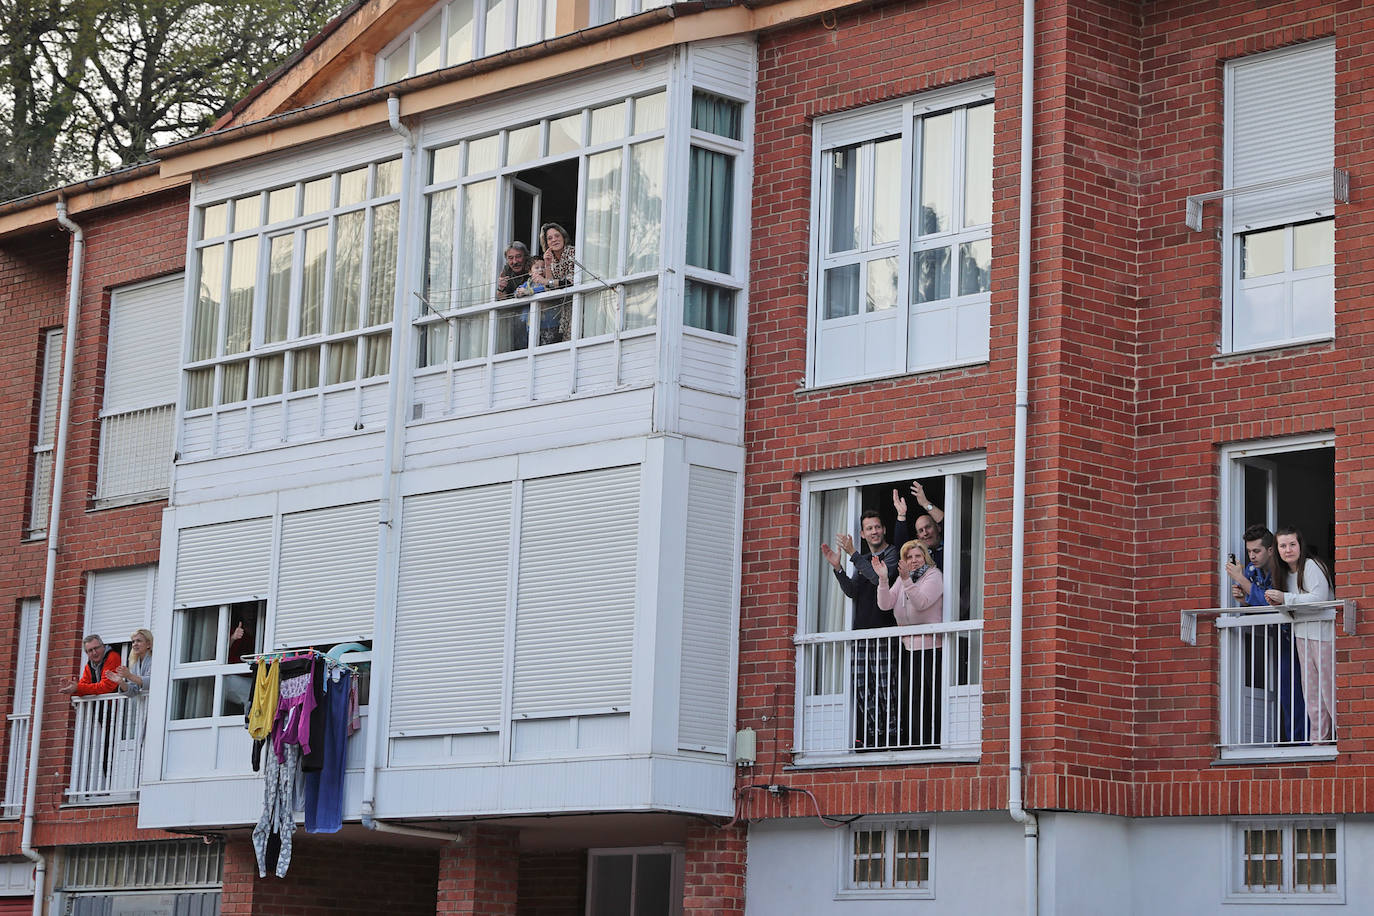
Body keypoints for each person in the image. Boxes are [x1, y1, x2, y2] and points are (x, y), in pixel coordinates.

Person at [821, 511, 899, 750]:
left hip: (884, 632)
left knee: (886, 687)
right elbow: (853, 591)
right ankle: (875, 731)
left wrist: (853, 555)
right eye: (869, 528)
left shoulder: (892, 554)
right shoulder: (862, 558)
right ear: (863, 534)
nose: (874, 531)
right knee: (864, 687)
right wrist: (838, 568)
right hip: (861, 633)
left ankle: (892, 733)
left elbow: (879, 580)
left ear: (884, 529)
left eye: (877, 527)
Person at [1225, 524, 1305, 742]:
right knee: (1285, 693)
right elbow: (1259, 602)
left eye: (1257, 551)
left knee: (1297, 692)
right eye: (1249, 551)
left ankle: (1302, 742)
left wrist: (1241, 580)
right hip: (1276, 638)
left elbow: (1270, 601)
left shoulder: (1282, 570)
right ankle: (1292, 741)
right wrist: (1244, 600)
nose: (1252, 556)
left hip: (1295, 636)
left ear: (1270, 550)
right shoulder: (1252, 570)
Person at [1265, 526, 1335, 742]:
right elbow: (1292, 609)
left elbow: (1319, 599)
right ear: (1277, 550)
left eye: (1292, 544)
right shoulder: (1284, 574)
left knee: (1330, 690)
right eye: (1283, 546)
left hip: (1323, 635)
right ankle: (1319, 741)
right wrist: (1278, 604)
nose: (1288, 550)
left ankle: (1346, 740)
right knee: (1312, 694)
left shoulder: (1312, 566)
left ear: (1300, 545)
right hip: (1302, 635)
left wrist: (1285, 599)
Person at [873, 540, 945, 747]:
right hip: (909, 647)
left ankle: (935, 741)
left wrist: (906, 581)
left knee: (932, 697)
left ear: (925, 557)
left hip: (932, 647)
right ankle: (916, 742)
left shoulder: (934, 575)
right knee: (912, 698)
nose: (913, 561)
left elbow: (921, 603)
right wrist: (884, 579)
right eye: (909, 557)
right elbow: (885, 604)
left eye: (917, 556)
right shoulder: (904, 579)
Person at [893, 480, 945, 569]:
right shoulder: (918, 555)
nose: (925, 533)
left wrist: (925, 503)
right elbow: (902, 548)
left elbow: (949, 524)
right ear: (918, 536)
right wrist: (901, 515)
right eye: (921, 531)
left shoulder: (951, 545)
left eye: (928, 527)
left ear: (938, 527)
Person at [115, 629, 153, 697]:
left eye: (138, 641)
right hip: (140, 705)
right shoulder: (134, 663)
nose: (135, 644)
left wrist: (129, 675)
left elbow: (151, 682)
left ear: (148, 644)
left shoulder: (155, 660)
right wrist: (121, 682)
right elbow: (133, 691)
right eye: (133, 641)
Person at [539, 222, 576, 289]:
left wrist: (546, 282)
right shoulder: (552, 260)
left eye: (557, 236)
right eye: (550, 238)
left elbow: (571, 281)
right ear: (546, 243)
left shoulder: (572, 252)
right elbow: (549, 289)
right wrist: (547, 265)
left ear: (563, 237)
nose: (554, 240)